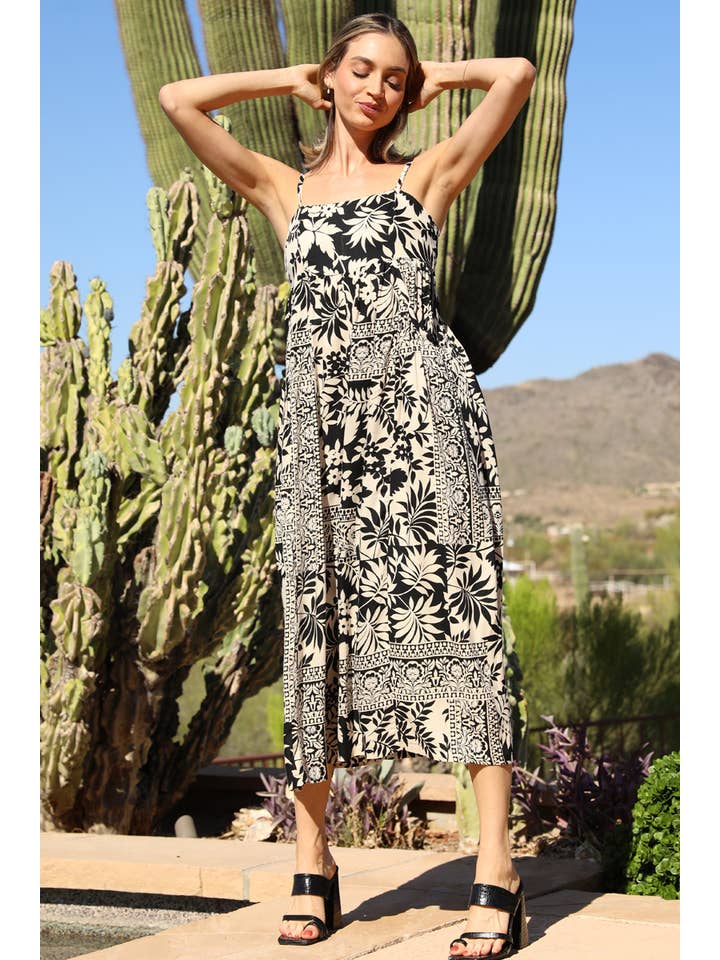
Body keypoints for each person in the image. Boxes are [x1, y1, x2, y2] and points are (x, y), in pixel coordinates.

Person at [160, 12, 535, 958]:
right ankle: (313, 859)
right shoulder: (281, 189)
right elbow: (178, 99)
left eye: (393, 80)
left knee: (464, 631)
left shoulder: (425, 178)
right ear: (331, 78)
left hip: (426, 430)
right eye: (360, 70)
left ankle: (497, 866)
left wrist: (437, 75)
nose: (377, 89)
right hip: (324, 444)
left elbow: (519, 74)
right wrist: (288, 77)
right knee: (317, 636)